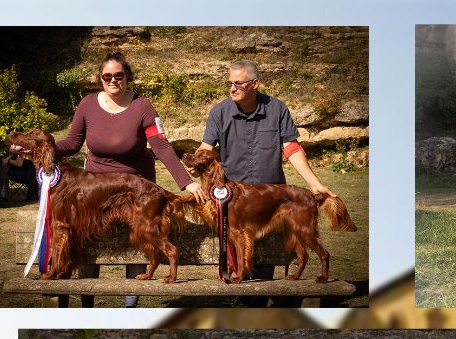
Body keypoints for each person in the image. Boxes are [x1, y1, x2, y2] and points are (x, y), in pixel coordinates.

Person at [53, 52, 205, 307]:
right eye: (107, 76)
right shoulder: (87, 104)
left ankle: (129, 309)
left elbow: (161, 146)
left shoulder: (142, 105)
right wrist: (43, 147)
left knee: (140, 240)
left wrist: (186, 182)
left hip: (135, 188)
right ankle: (85, 306)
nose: (113, 80)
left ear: (127, 77)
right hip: (97, 190)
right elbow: (71, 143)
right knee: (89, 245)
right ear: (100, 79)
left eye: (119, 75)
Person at [198, 59, 334, 283]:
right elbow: (206, 148)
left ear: (255, 84)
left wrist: (315, 184)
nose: (232, 88)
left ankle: (261, 301)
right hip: (233, 201)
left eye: (239, 84)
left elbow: (291, 148)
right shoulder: (219, 112)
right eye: (229, 83)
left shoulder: (277, 108)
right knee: (241, 261)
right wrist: (198, 160)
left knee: (265, 272)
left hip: (271, 202)